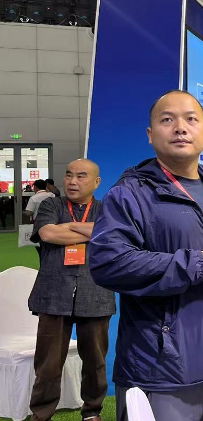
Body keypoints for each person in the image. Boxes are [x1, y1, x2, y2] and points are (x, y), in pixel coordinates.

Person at [89, 90, 203, 421]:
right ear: (151, 135)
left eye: (191, 119)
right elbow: (108, 262)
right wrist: (198, 264)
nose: (180, 127)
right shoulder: (130, 193)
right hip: (160, 371)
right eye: (168, 120)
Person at [27, 159, 115, 421]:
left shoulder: (106, 209)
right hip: (53, 292)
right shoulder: (51, 205)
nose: (73, 181)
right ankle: (41, 414)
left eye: (81, 176)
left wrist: (67, 227)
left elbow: (112, 236)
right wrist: (92, 232)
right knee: (48, 363)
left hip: (95, 292)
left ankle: (92, 412)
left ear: (96, 182)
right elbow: (48, 234)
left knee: (95, 362)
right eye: (68, 175)